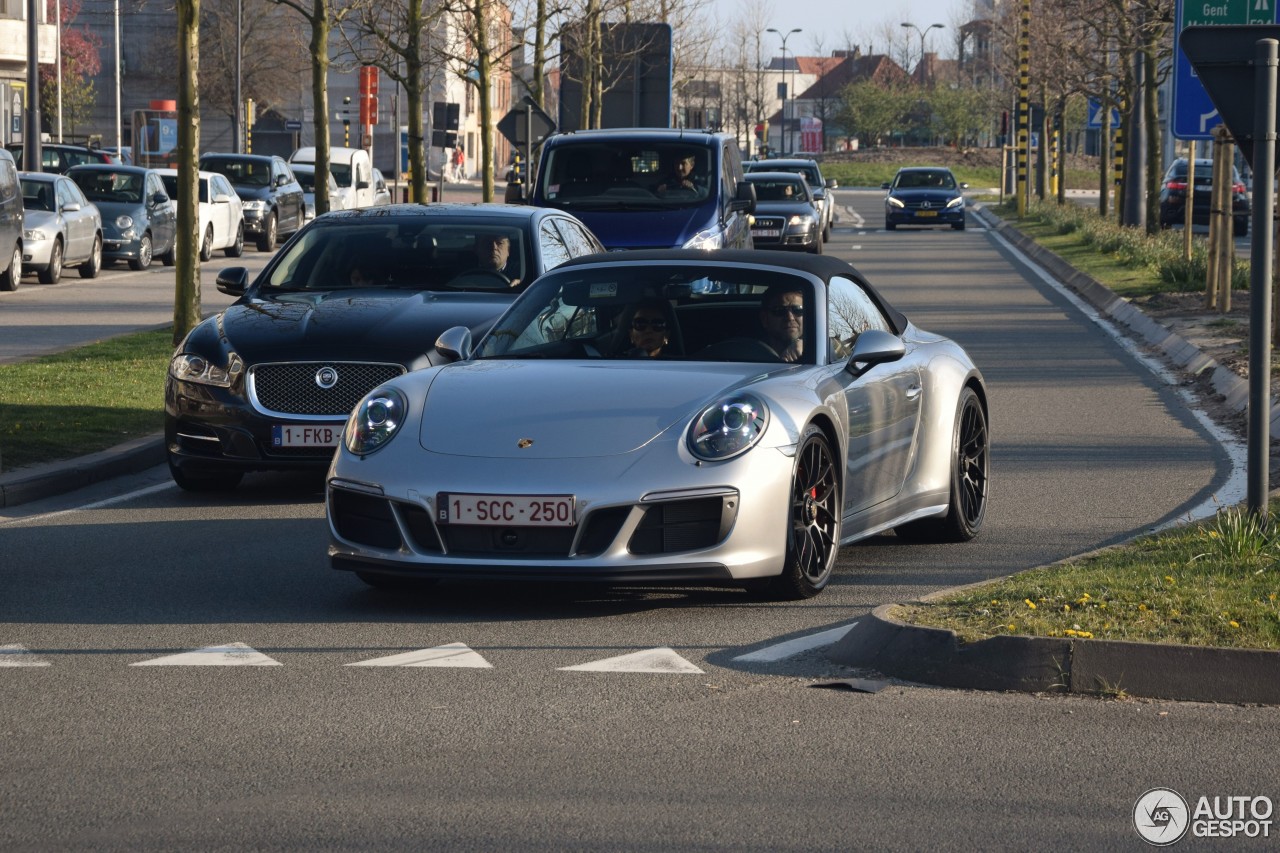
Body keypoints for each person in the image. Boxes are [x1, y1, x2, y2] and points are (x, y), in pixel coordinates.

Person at [759, 285, 805, 363]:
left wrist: (807, 347)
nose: (790, 317)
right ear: (765, 319)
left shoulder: (817, 352)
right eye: (779, 310)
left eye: (798, 310)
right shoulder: (747, 355)